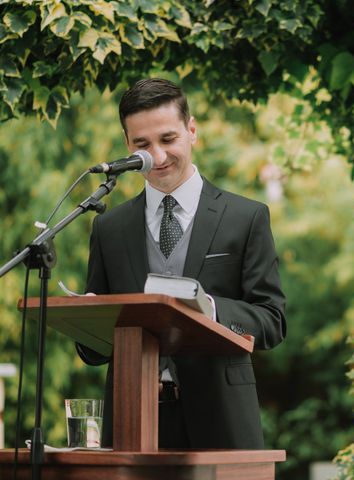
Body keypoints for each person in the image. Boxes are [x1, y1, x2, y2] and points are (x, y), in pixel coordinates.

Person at [76, 78, 286, 449]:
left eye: (168, 139)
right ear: (128, 145)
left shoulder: (246, 217)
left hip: (223, 421)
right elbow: (95, 352)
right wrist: (87, 322)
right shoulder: (108, 226)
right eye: (142, 144)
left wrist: (211, 309)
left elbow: (272, 320)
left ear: (192, 131)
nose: (157, 156)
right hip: (132, 424)